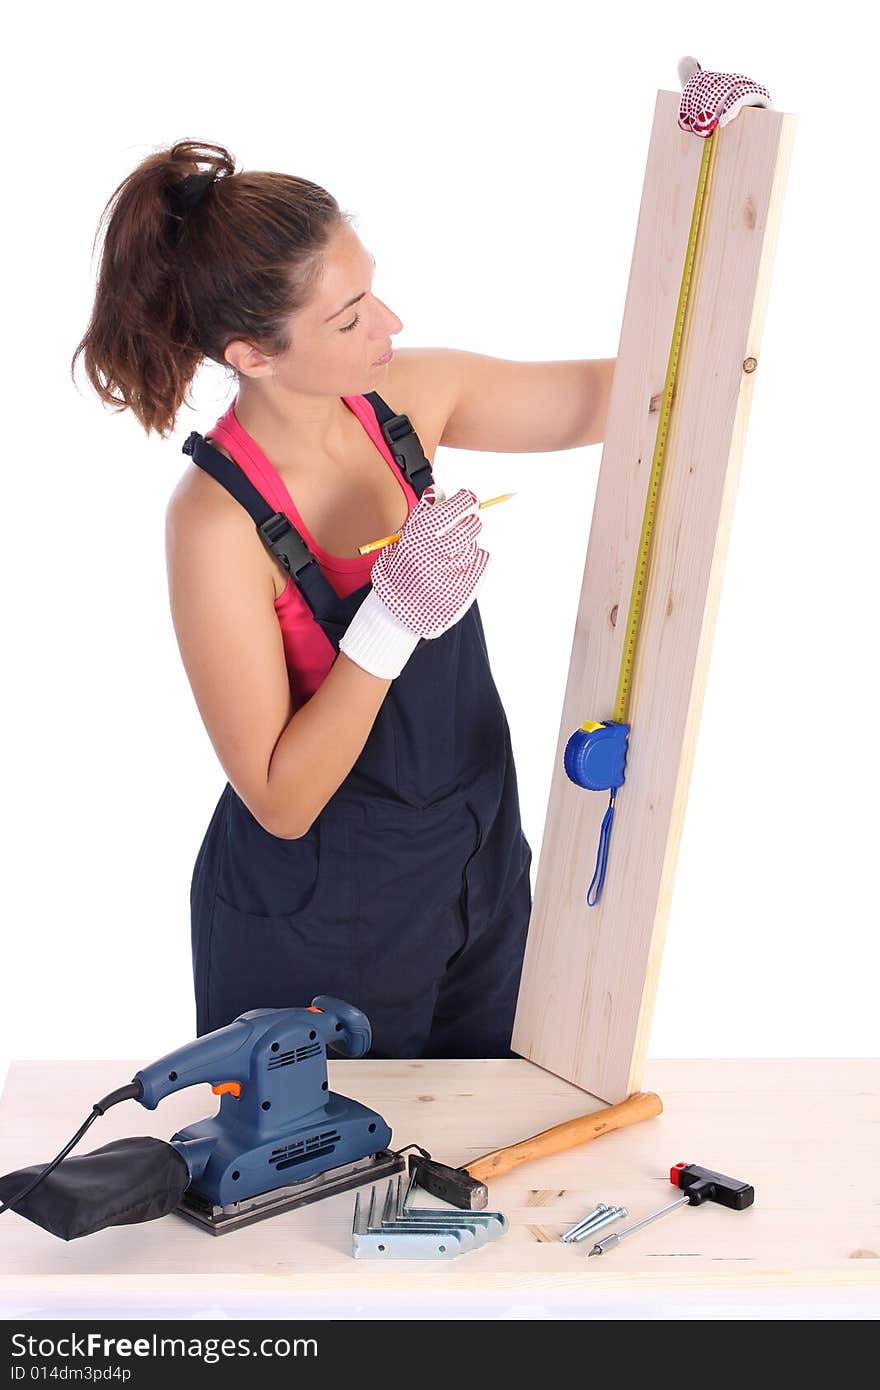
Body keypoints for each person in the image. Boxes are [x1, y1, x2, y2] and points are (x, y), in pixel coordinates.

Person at [71, 140, 615, 1058]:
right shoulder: (215, 524)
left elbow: (628, 396)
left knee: (482, 1157)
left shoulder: (405, 398)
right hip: (319, 925)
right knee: (324, 1193)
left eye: (374, 292)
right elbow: (281, 800)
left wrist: (713, 190)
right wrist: (391, 621)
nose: (390, 324)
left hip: (475, 867)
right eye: (351, 316)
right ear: (254, 354)